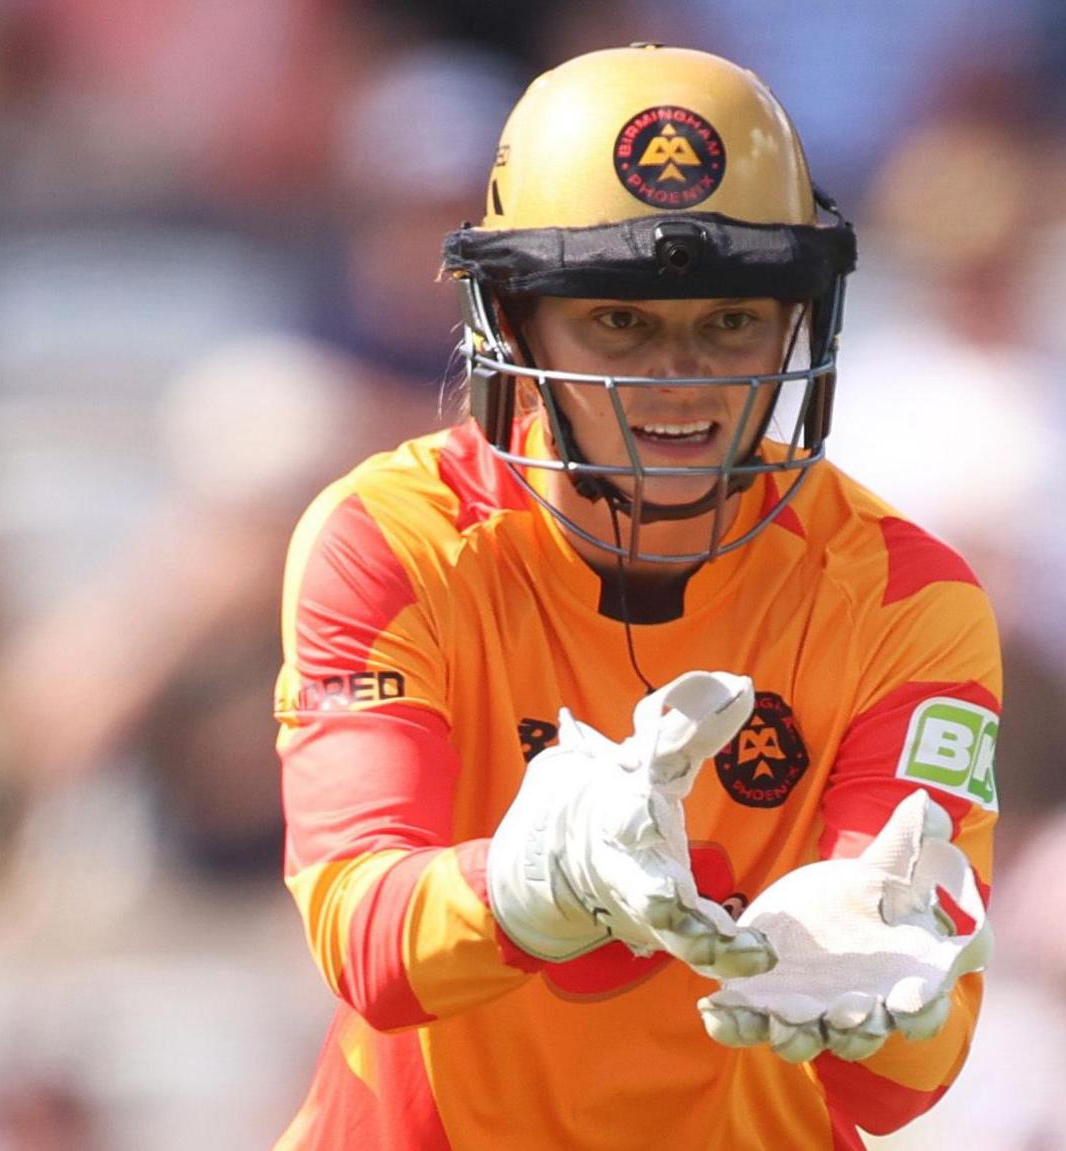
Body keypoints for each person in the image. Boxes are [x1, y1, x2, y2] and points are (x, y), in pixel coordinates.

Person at [273, 45, 1000, 1149]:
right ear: (512, 323)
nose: (683, 383)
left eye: (730, 321)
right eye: (619, 321)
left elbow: (902, 1086)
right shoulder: (391, 541)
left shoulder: (906, 598)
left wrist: (869, 973)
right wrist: (539, 874)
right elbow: (367, 943)